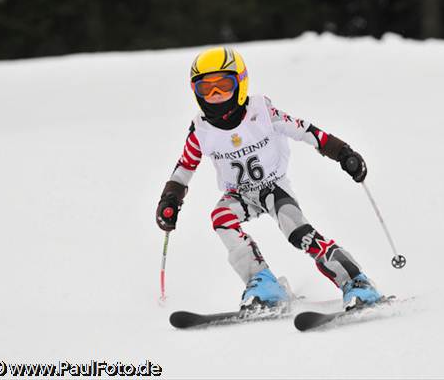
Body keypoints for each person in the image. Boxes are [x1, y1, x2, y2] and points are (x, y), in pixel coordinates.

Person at [155, 47, 381, 311]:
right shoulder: (201, 131)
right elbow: (185, 167)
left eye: (223, 86)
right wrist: (170, 198)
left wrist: (342, 153)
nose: (215, 96)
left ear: (240, 84)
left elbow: (305, 131)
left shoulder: (262, 113)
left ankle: (355, 281)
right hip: (239, 194)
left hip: (273, 188)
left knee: (299, 233)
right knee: (221, 218)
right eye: (207, 89)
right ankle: (263, 283)